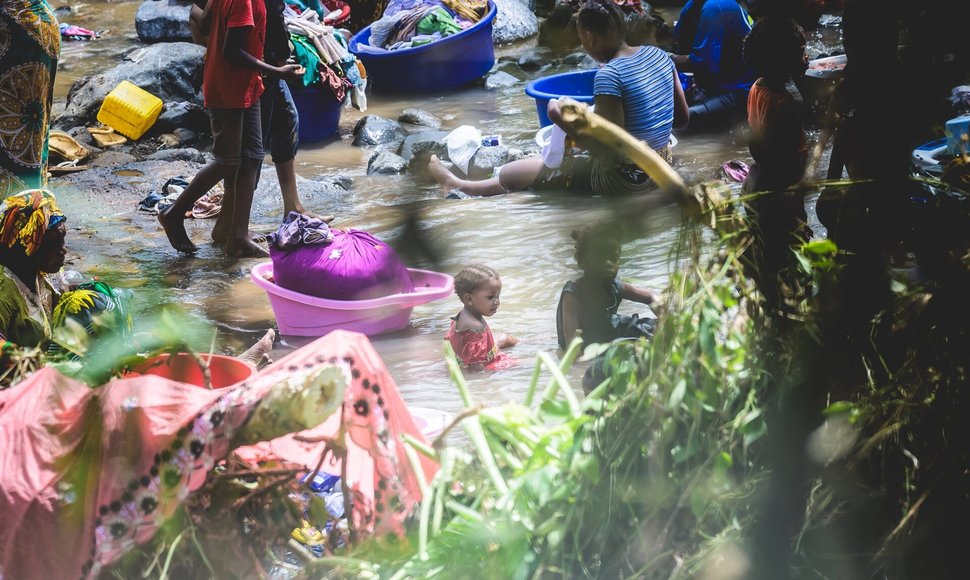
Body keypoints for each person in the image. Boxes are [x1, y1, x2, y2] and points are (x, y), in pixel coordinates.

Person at [427, 0, 688, 197]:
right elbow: (682, 120)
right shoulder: (660, 56)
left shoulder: (610, 75)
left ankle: (462, 185)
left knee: (514, 172)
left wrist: (558, 118)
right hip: (663, 167)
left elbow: (610, 150)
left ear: (589, 36)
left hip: (628, 180)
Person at [159, 0, 303, 256]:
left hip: (249, 86)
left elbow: (203, 20)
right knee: (228, 161)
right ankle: (173, 213)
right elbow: (231, 51)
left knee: (253, 157)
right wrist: (276, 71)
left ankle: (238, 237)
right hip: (229, 88)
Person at [556, 221, 662, 350]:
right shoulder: (573, 294)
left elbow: (651, 296)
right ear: (582, 262)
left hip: (609, 330)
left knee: (658, 328)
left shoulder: (614, 286)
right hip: (587, 343)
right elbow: (573, 352)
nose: (608, 263)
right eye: (600, 257)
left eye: (613, 257)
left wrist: (667, 317)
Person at [0, 0, 60, 196]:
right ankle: (34, 213)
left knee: (18, 145)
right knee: (30, 141)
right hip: (34, 24)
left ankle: (24, 216)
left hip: (16, 36)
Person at [670, 0, 755, 130]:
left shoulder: (713, 7)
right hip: (715, 80)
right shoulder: (692, 6)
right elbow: (678, 43)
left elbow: (700, 63)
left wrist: (663, 58)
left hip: (739, 90)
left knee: (677, 120)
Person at [0, 189, 66, 347]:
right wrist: (13, 355)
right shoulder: (4, 290)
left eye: (62, 240)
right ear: (26, 246)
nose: (64, 250)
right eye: (54, 243)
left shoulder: (39, 275)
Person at [445, 265, 518, 371]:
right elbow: (476, 368)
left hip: (484, 353)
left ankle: (535, 343)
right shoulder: (475, 327)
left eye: (498, 296)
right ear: (469, 299)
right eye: (490, 297)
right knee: (519, 363)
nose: (496, 302)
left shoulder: (463, 315)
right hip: (488, 362)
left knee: (505, 339)